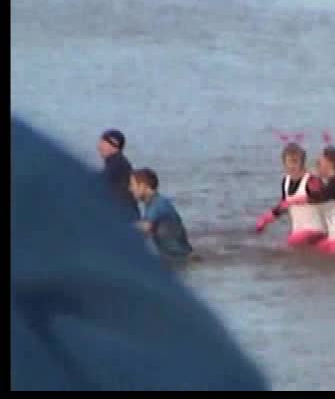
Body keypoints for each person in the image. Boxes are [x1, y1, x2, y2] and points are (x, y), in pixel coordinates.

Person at [11, 116, 267, 391]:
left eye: (135, 186)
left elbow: (137, 221)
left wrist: (113, 230)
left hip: (167, 251)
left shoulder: (147, 195)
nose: (132, 189)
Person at [255, 142, 327, 246]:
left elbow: (325, 199)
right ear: (284, 163)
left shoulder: (312, 180)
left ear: (302, 162)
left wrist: (303, 199)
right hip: (298, 232)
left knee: (290, 244)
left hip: (317, 231)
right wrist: (266, 220)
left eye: (295, 161)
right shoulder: (286, 181)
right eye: (289, 161)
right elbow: (284, 205)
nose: (292, 165)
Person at [129, 168, 193, 264]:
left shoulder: (158, 203)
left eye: (132, 185)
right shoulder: (152, 204)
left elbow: (146, 227)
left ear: (143, 186)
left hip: (178, 259)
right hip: (172, 257)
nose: (130, 189)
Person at [97, 129, 140, 220]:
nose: (99, 147)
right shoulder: (117, 161)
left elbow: (98, 184)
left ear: (115, 144)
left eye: (103, 143)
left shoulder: (116, 163)